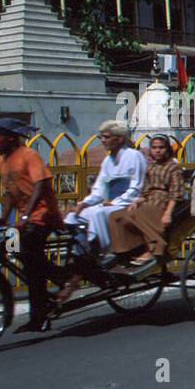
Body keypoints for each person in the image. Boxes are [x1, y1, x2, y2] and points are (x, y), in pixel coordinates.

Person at [57, 121, 146, 302]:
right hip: (110, 202)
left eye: (106, 137)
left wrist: (114, 202)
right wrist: (83, 203)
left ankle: (99, 251)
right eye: (102, 137)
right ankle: (81, 250)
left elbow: (137, 187)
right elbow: (99, 189)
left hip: (127, 203)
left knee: (98, 214)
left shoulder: (134, 156)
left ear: (119, 139)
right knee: (77, 215)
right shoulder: (108, 161)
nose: (103, 141)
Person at [0, 118, 61, 333]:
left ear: (10, 137)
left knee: (29, 257)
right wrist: (4, 217)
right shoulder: (3, 160)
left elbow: (40, 184)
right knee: (11, 250)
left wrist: (27, 215)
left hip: (42, 215)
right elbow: (11, 192)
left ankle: (58, 279)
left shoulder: (29, 155)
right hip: (22, 218)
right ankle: (43, 303)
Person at [108, 135, 187, 266]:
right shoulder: (151, 167)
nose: (158, 151)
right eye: (154, 147)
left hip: (163, 203)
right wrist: (136, 202)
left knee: (135, 214)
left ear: (167, 149)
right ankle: (126, 250)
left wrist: (168, 213)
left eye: (161, 147)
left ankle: (154, 248)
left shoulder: (173, 167)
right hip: (148, 201)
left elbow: (176, 193)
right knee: (116, 216)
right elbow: (146, 190)